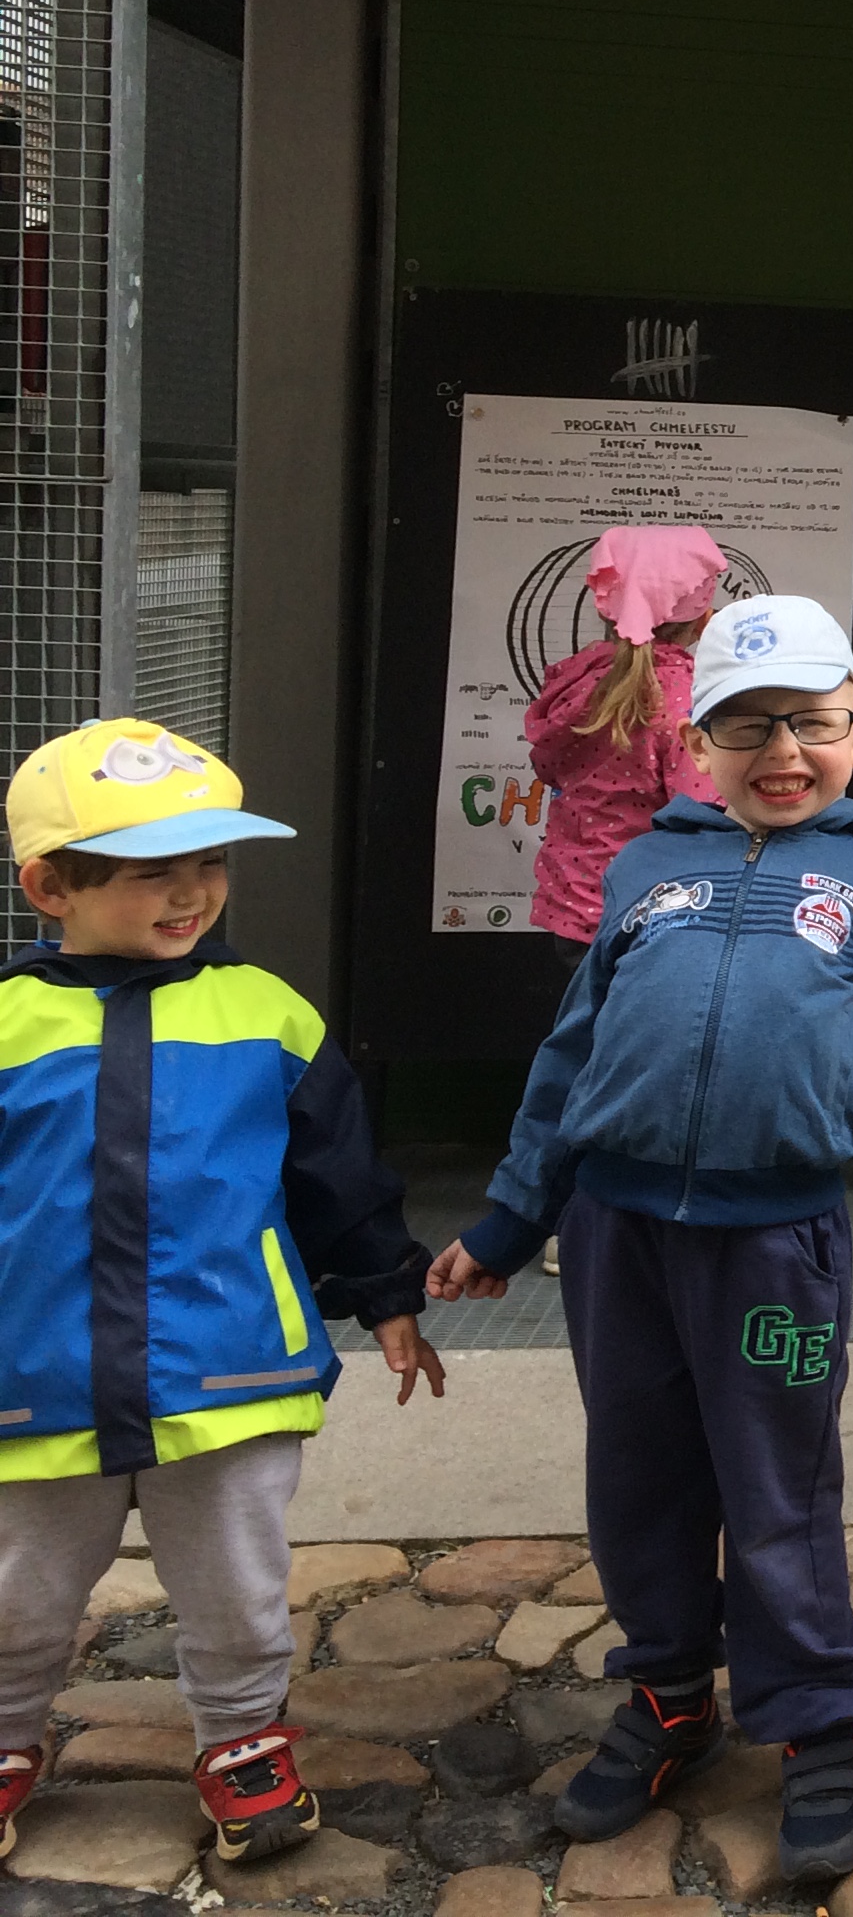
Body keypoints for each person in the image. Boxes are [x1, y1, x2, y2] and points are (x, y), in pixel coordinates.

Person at [427, 595, 853, 1886]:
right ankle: (670, 1695)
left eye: (808, 723)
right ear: (697, 745)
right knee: (638, 1478)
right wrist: (514, 1217)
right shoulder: (644, 869)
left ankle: (817, 1727)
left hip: (776, 1249)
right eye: (746, 727)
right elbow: (572, 1054)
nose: (781, 752)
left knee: (776, 1492)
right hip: (616, 1238)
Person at [0, 721, 444, 1870]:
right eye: (154, 869)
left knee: (237, 1583)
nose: (193, 891)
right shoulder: (7, 1026)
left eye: (210, 862)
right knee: (18, 1589)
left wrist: (387, 1292)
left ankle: (243, 1739)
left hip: (229, 1367)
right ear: (51, 887)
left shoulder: (267, 1012)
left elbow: (340, 1177)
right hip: (36, 1375)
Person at [524, 525, 726, 956]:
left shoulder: (575, 681)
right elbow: (701, 813)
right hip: (649, 918)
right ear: (704, 621)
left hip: (572, 908)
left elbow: (548, 766)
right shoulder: (686, 701)